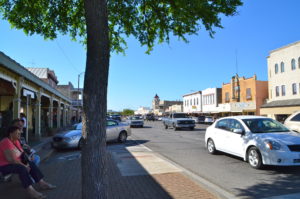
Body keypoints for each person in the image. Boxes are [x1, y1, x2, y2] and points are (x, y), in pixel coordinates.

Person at [0, 126, 56, 199]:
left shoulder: (16, 141)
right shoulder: (6, 142)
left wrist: (29, 157)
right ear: (11, 134)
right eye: (17, 133)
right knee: (22, 168)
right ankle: (31, 191)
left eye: (20, 133)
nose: (19, 135)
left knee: (31, 163)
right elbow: (11, 159)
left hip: (15, 163)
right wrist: (24, 165)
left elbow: (22, 153)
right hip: (4, 165)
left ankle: (42, 183)